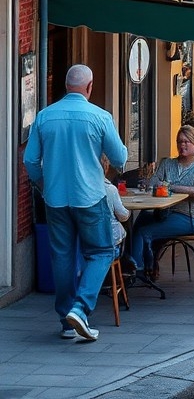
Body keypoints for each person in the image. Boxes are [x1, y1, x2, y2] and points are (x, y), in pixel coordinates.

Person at [23, 64, 128, 342]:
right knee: (102, 252)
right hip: (89, 196)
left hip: (55, 198)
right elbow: (119, 158)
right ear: (90, 87)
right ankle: (81, 308)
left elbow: (30, 160)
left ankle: (66, 321)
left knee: (62, 257)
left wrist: (43, 184)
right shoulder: (100, 116)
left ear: (66, 86)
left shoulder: (44, 117)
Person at [127, 125, 194, 282]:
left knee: (144, 232)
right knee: (140, 221)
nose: (182, 145)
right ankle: (145, 265)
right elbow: (153, 182)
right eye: (179, 141)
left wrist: (168, 185)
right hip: (166, 212)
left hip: (190, 217)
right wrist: (165, 185)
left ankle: (137, 271)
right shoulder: (168, 163)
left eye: (187, 141)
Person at [100, 155, 130, 250]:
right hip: (111, 243)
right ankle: (129, 260)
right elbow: (123, 216)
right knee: (125, 229)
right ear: (106, 167)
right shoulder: (110, 189)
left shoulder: (81, 188)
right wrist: (128, 212)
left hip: (87, 243)